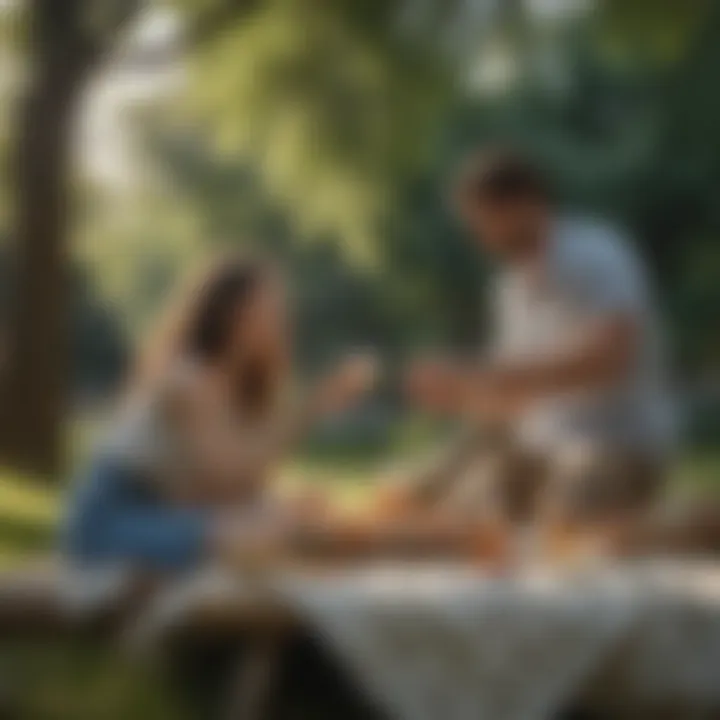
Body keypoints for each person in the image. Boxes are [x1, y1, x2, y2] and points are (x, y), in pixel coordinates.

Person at [404, 146, 676, 528]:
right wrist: (459, 394)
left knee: (567, 520)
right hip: (540, 446)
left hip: (613, 444)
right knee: (454, 515)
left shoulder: (597, 254)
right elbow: (516, 398)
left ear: (524, 204)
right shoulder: (509, 287)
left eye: (483, 219)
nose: (477, 234)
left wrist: (481, 373)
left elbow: (610, 358)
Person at [65, 254, 377, 572]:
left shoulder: (232, 387)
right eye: (269, 311)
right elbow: (227, 481)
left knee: (287, 517)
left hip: (163, 512)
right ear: (232, 315)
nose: (281, 323)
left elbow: (233, 489)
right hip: (112, 522)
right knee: (261, 533)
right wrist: (310, 409)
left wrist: (289, 502)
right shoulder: (189, 380)